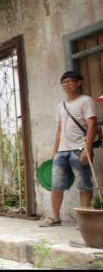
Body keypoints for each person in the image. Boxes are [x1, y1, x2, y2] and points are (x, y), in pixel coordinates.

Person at [40, 71, 97, 227]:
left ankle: (84, 220)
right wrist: (55, 151)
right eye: (63, 82)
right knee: (56, 185)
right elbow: (59, 130)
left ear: (79, 83)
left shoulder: (86, 101)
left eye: (70, 81)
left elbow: (92, 124)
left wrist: (88, 149)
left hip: (80, 148)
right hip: (62, 151)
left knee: (84, 184)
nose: (66, 84)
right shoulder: (61, 105)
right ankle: (55, 217)